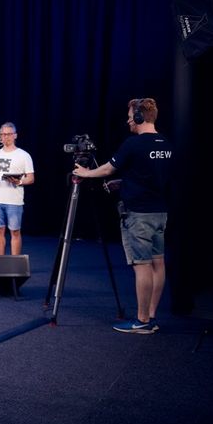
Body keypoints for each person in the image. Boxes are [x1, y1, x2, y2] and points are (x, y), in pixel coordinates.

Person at [72, 98, 173, 334]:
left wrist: (86, 173)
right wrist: (125, 183)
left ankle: (141, 321)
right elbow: (150, 175)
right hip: (160, 212)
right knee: (158, 263)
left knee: (142, 266)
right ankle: (151, 316)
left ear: (139, 117)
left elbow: (108, 168)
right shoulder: (166, 143)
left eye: (130, 115)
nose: (128, 119)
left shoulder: (133, 144)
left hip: (138, 215)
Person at [0, 122, 35, 255]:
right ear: (0, 136)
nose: (6, 137)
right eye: (3, 134)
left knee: (15, 232)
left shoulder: (24, 155)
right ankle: (1, 262)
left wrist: (19, 181)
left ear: (15, 135)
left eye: (9, 134)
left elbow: (31, 178)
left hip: (14, 201)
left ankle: (15, 263)